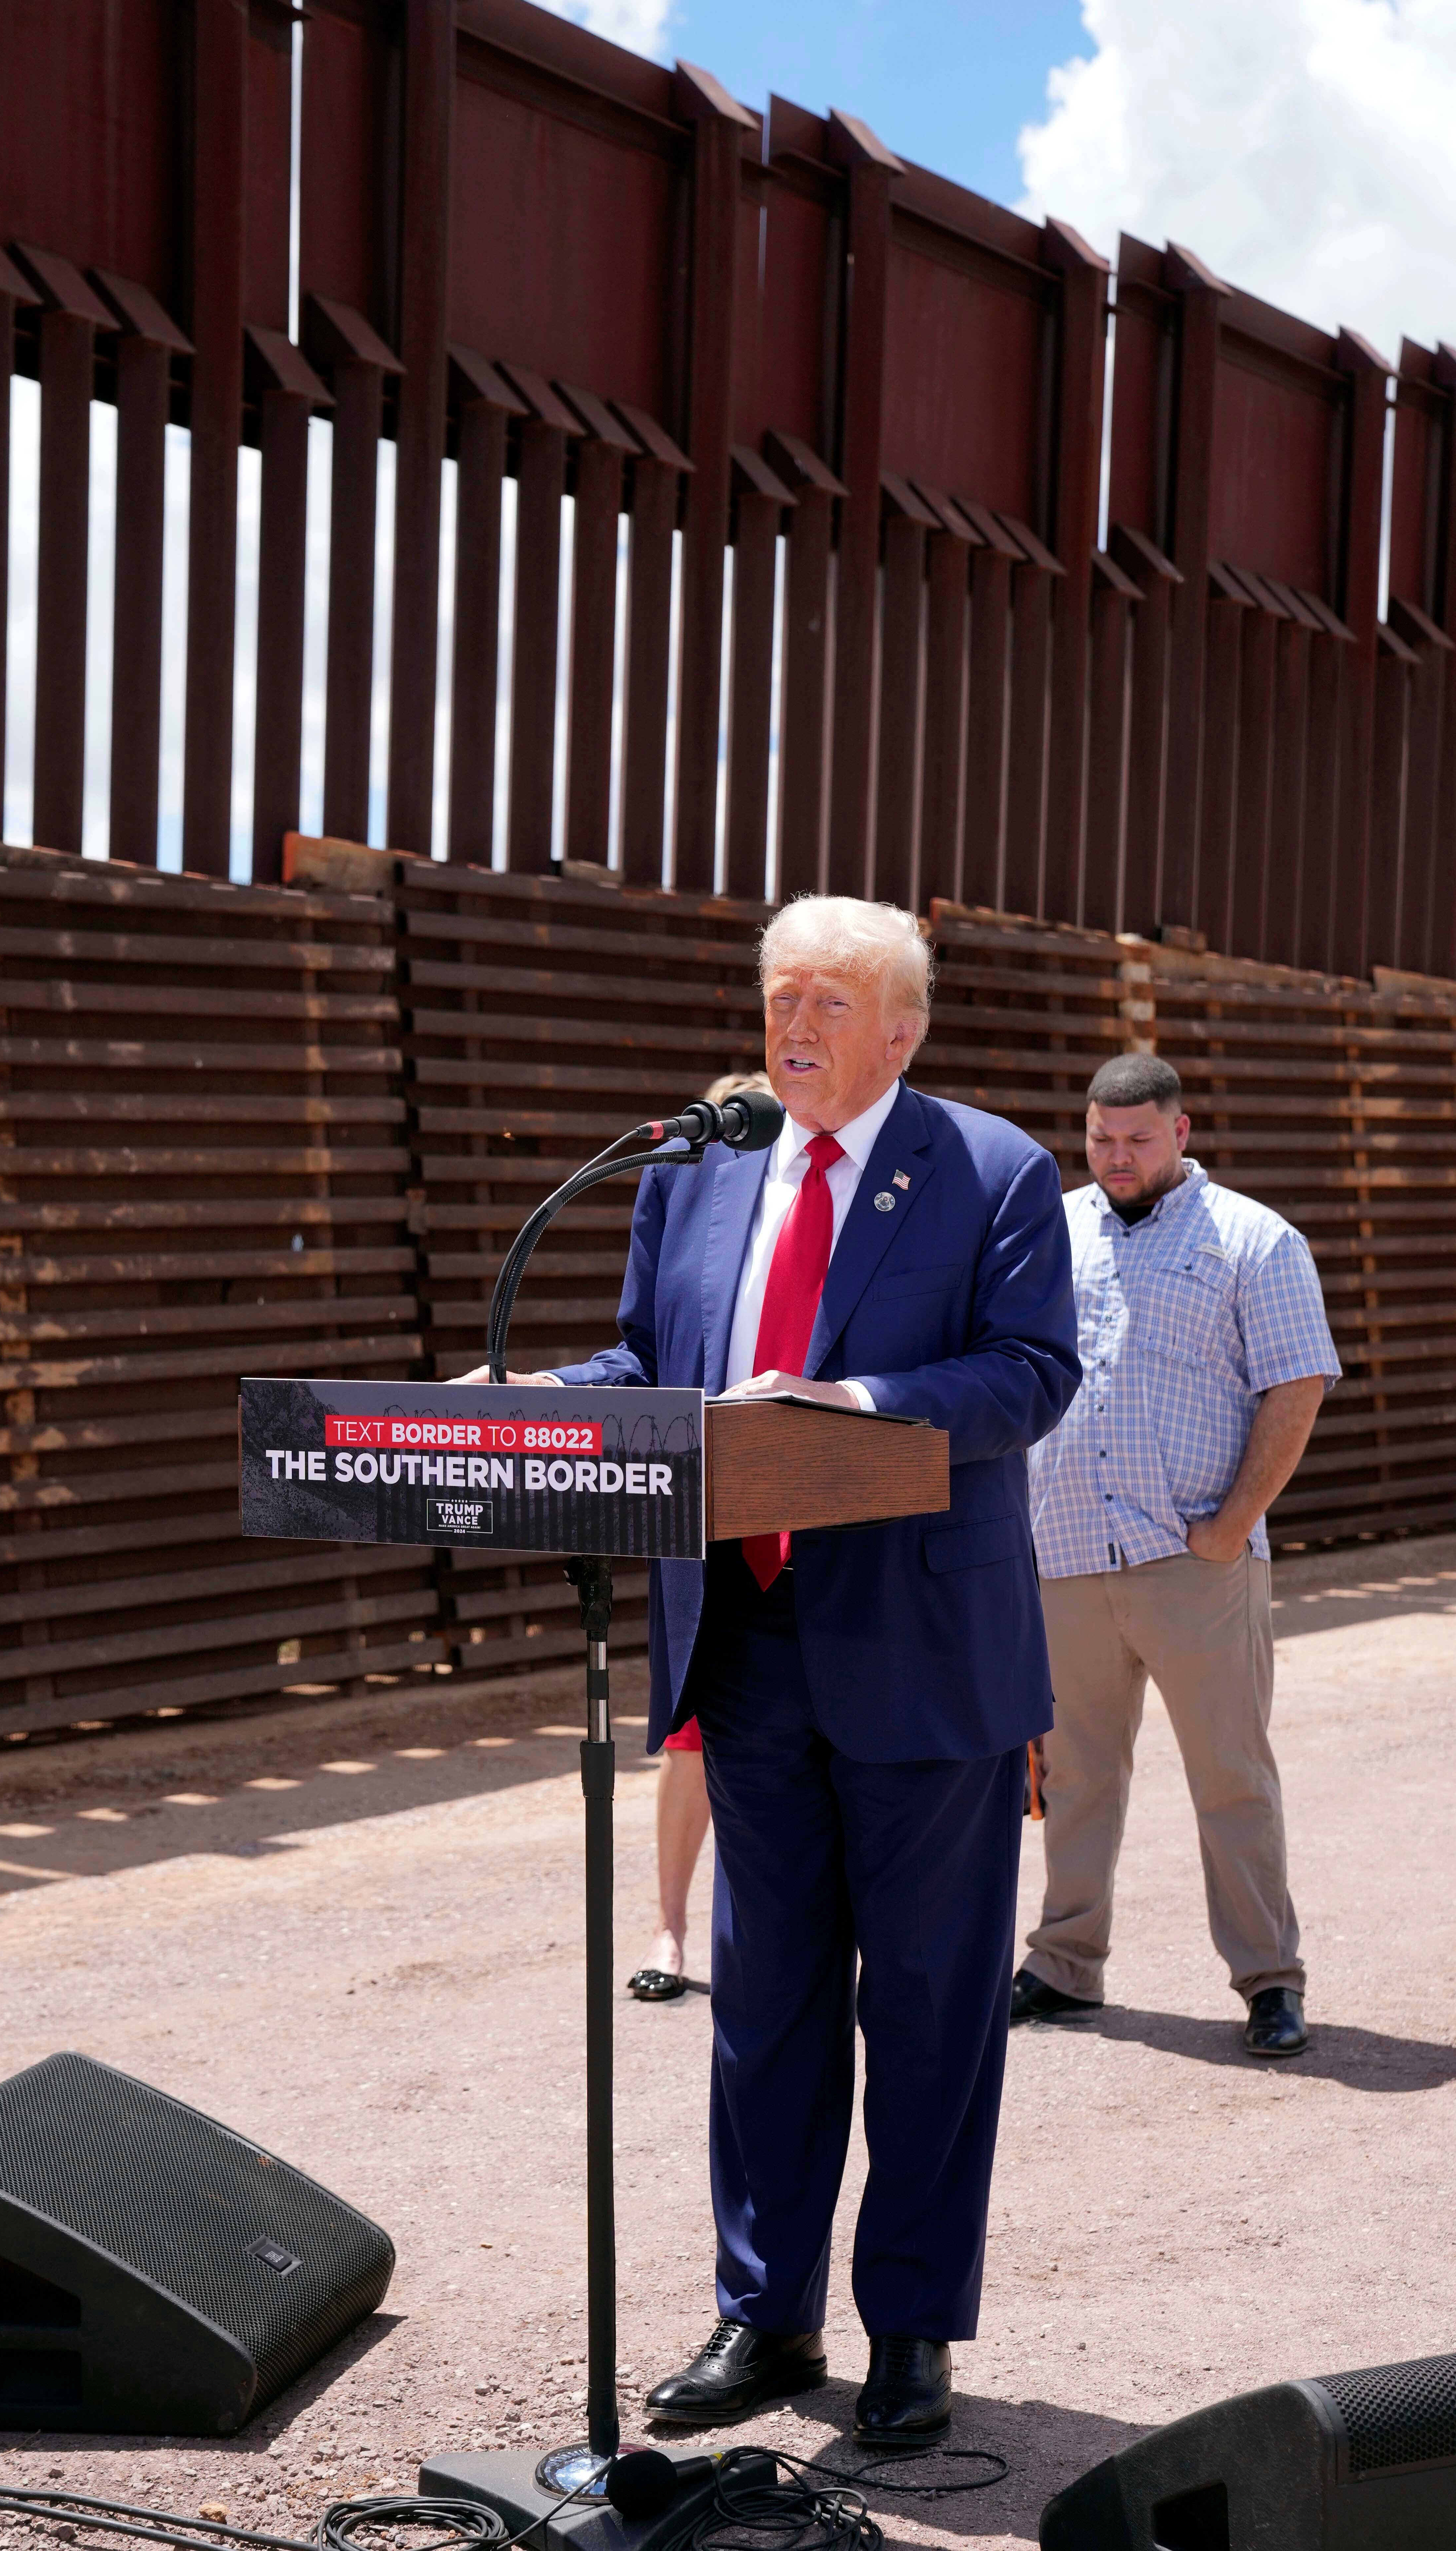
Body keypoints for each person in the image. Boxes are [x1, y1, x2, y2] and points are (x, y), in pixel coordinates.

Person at [480, 896, 1079, 2446]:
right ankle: (767, 2317)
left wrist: (848, 1400)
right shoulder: (698, 1167)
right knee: (765, 2001)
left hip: (922, 1653)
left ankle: (912, 2334)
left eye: (827, 1001)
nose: (792, 1028)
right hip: (743, 1645)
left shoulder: (995, 1170)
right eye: (777, 998)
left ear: (903, 1027)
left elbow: (1030, 1376)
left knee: (936, 2008)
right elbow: (650, 1363)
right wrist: (550, 1392)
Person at [1013, 1053, 1340, 2058]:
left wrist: (1232, 1527)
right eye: (1102, 1139)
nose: (1117, 1157)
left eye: (1138, 1139)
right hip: (1065, 1553)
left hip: (1194, 1559)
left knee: (1231, 1777)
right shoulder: (1047, 1232)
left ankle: (1268, 1978)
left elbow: (1297, 1385)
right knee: (1074, 1777)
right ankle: (1066, 1964)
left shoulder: (1254, 1239)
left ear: (1182, 1131)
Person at [626, 1070, 774, 2007]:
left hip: (803, 1513)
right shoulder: (679, 1208)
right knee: (692, 1747)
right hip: (703, 1522)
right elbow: (642, 1355)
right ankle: (672, 1929)